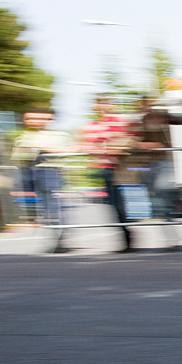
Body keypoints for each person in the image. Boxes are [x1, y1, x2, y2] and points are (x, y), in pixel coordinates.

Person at [76, 94, 139, 251]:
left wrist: (109, 148)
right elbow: (83, 145)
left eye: (105, 103)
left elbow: (130, 142)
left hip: (123, 169)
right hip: (106, 169)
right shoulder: (92, 126)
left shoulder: (121, 122)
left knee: (126, 205)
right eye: (99, 103)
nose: (102, 106)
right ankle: (126, 239)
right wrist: (102, 149)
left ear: (112, 104)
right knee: (115, 207)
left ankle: (129, 235)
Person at [11, 110, 72, 224]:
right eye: (28, 119)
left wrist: (41, 146)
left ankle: (58, 230)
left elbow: (65, 150)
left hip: (48, 172)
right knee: (30, 207)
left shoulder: (58, 135)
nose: (33, 121)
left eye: (39, 118)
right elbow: (17, 156)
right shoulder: (23, 136)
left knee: (53, 207)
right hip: (27, 172)